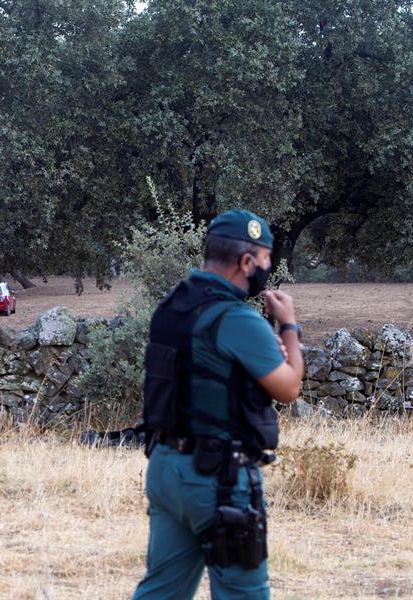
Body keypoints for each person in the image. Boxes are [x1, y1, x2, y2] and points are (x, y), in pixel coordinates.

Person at [131, 209, 304, 600]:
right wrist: (290, 326)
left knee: (161, 590)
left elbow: (206, 369)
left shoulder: (173, 306)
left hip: (165, 467)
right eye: (265, 258)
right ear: (246, 262)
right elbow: (289, 387)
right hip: (217, 479)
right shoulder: (237, 318)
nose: (268, 266)